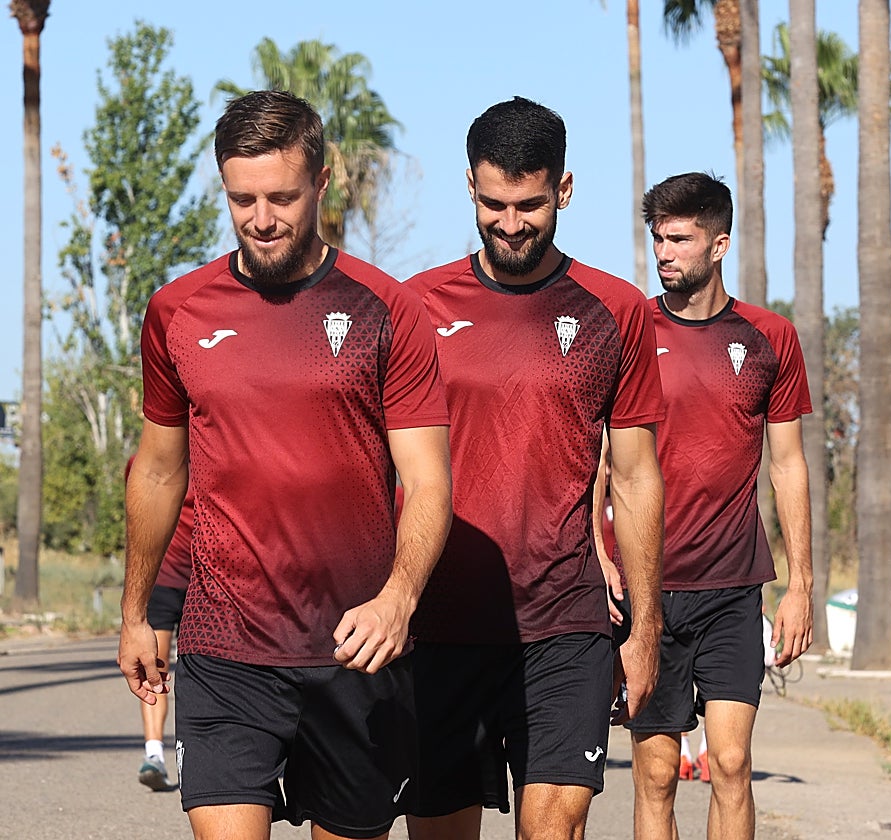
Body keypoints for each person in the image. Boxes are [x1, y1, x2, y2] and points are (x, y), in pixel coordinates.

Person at [117, 89, 452, 840]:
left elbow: (429, 481)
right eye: (241, 199)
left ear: (323, 184)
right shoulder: (179, 310)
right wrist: (137, 613)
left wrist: (398, 599)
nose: (261, 218)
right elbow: (160, 471)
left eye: (281, 198)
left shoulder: (387, 309)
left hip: (355, 651)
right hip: (225, 646)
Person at [402, 96, 665, 840]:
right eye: (493, 204)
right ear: (470, 187)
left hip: (565, 623)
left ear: (565, 190)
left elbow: (639, 476)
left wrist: (644, 628)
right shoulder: (416, 306)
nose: (510, 223)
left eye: (529, 205)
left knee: (556, 829)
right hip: (440, 624)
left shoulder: (616, 310)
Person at [621, 172, 814, 840]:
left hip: (734, 588)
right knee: (656, 773)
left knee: (730, 762)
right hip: (647, 588)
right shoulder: (629, 330)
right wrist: (599, 554)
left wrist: (801, 585)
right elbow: (598, 459)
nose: (664, 252)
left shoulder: (770, 338)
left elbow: (788, 462)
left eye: (680, 238)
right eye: (658, 238)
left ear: (720, 243)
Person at [124, 456, 194, 793]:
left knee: (214, 673)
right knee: (155, 669)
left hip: (208, 581)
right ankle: (154, 755)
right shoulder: (141, 464)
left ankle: (203, 757)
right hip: (163, 581)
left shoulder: (216, 451)